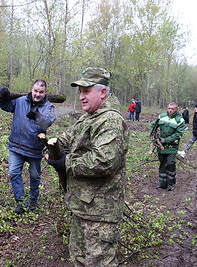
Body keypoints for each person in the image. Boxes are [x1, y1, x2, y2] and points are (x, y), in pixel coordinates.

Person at [46, 67, 128, 266]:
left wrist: (66, 163)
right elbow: (65, 140)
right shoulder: (88, 117)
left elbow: (104, 161)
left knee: (99, 263)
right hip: (83, 206)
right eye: (80, 92)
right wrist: (50, 147)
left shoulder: (110, 120)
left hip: (100, 212)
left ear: (102, 92)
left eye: (86, 91)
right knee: (80, 259)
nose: (81, 97)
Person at [0, 79, 56, 214]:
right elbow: (6, 106)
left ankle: (33, 202)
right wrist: (4, 97)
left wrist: (37, 116)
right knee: (14, 173)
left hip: (34, 149)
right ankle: (21, 203)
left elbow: (48, 121)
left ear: (45, 92)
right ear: (32, 89)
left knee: (35, 177)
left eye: (41, 92)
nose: (37, 94)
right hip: (16, 147)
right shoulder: (20, 101)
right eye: (35, 91)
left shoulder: (48, 107)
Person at [151, 102, 185, 191]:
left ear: (176, 109)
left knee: (170, 163)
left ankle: (170, 183)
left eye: (172, 109)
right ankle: (162, 183)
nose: (170, 110)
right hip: (160, 145)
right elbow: (153, 125)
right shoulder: (162, 116)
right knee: (162, 163)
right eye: (169, 108)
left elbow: (178, 134)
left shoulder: (180, 120)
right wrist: (153, 136)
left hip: (172, 146)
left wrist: (166, 140)